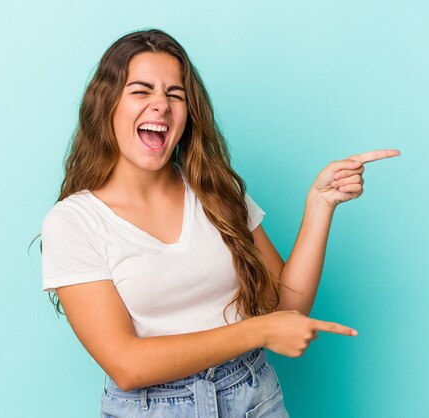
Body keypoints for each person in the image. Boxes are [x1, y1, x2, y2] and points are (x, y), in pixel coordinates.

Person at [40, 28, 400, 417]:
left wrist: (320, 204)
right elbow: (127, 365)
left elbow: (286, 306)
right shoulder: (74, 222)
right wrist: (258, 331)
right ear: (107, 104)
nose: (160, 104)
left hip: (252, 396)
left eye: (175, 94)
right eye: (141, 91)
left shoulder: (215, 190)